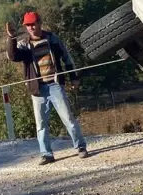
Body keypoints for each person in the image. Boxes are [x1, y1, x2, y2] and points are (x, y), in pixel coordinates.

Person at [6, 11, 89, 165]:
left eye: (33, 24)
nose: (30, 27)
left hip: (55, 85)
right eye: (27, 25)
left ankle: (80, 147)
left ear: (39, 23)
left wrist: (74, 77)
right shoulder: (24, 44)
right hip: (37, 89)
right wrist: (11, 38)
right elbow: (13, 56)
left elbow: (66, 57)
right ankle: (46, 154)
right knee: (41, 124)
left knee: (68, 118)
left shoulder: (52, 39)